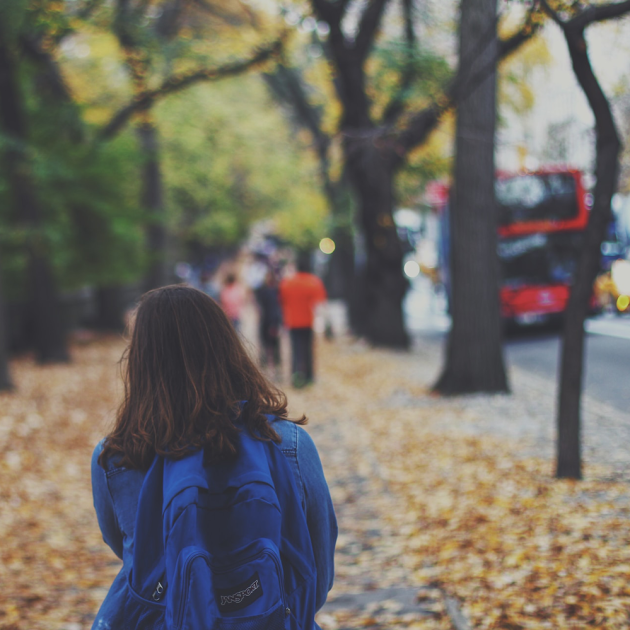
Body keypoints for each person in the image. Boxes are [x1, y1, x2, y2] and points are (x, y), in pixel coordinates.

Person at [91, 286, 337, 629]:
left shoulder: (116, 457)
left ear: (141, 360)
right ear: (228, 347)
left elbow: (133, 555)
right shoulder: (289, 444)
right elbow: (317, 571)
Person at [279, 253, 327, 388]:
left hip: (293, 321)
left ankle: (295, 376)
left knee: (295, 350)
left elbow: (282, 301)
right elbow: (319, 304)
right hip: (308, 321)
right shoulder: (314, 282)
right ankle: (309, 376)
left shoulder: (288, 282)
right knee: (308, 350)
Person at [255, 270, 283, 378]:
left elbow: (273, 309)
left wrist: (274, 323)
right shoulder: (270, 291)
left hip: (270, 322)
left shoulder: (271, 291)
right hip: (267, 322)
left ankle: (273, 371)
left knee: (271, 347)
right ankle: (271, 370)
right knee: (269, 347)